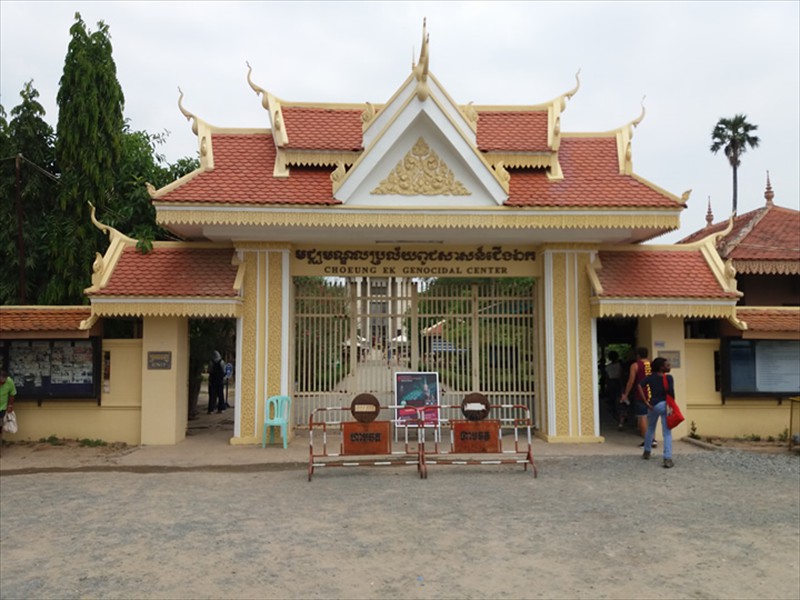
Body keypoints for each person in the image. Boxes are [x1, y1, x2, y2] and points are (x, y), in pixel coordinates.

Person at [637, 357, 675, 468]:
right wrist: (671, 406)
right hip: (665, 405)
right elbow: (671, 393)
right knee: (667, 433)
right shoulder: (668, 378)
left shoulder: (650, 377)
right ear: (661, 367)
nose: (669, 367)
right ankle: (667, 458)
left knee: (650, 428)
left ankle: (647, 452)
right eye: (667, 365)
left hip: (653, 405)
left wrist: (645, 401)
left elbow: (639, 385)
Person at [620, 347, 656, 447]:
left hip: (641, 394)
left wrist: (625, 394)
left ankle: (648, 440)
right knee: (652, 418)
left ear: (638, 355)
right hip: (653, 393)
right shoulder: (653, 364)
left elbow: (631, 381)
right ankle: (653, 438)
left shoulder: (635, 365)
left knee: (642, 417)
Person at [604, 351, 625, 428]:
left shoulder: (607, 367)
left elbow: (607, 378)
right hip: (618, 383)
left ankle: (615, 415)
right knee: (620, 401)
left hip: (611, 384)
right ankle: (621, 419)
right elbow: (621, 376)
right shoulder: (620, 365)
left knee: (612, 401)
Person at [0, 370, 17, 447]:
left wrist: (10, 405)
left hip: (2, 408)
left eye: (3, 382)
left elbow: (12, 394)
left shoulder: (9, 381)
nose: (2, 383)